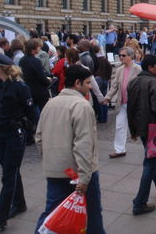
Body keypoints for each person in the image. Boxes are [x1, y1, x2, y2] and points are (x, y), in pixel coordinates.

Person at [34, 65, 106, 234]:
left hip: (55, 170)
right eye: (88, 83)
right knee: (93, 212)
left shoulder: (50, 104)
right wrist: (85, 176)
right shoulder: (82, 105)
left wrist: (50, 159)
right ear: (77, 82)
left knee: (52, 210)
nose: (90, 86)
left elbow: (38, 137)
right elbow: (84, 143)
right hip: (77, 173)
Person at [0, 53, 35, 231]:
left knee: (8, 175)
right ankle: (19, 203)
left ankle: (0, 218)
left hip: (15, 134)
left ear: (0, 68)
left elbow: (31, 113)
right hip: (1, 133)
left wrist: (34, 135)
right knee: (10, 170)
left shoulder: (20, 87)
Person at [127, 55, 156, 215]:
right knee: (150, 162)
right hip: (154, 127)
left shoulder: (133, 82)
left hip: (141, 127)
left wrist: (133, 130)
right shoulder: (155, 83)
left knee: (151, 155)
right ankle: (140, 202)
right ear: (150, 68)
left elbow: (129, 108)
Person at [105, 47, 142, 158]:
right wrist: (108, 97)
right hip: (121, 102)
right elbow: (115, 85)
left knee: (140, 126)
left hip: (134, 104)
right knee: (120, 125)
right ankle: (119, 149)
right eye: (120, 55)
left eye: (123, 55)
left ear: (130, 56)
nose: (121, 57)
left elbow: (141, 86)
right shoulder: (120, 70)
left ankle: (147, 146)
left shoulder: (138, 69)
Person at [19, 39, 51, 113]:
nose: (39, 48)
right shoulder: (36, 61)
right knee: (43, 112)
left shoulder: (22, 60)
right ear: (33, 49)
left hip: (29, 89)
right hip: (39, 92)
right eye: (38, 47)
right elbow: (41, 76)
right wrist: (48, 82)